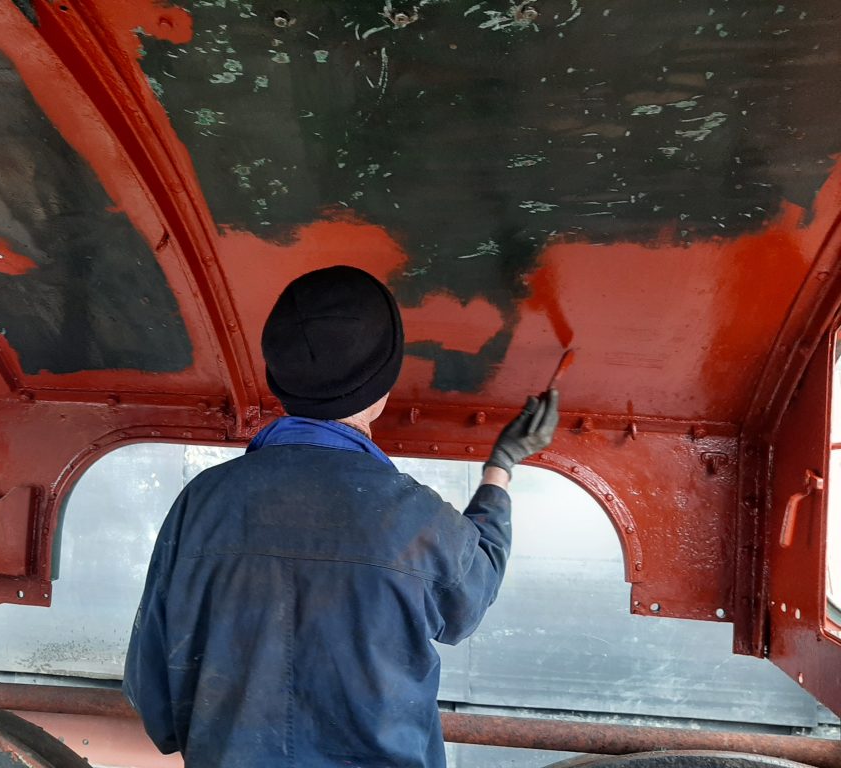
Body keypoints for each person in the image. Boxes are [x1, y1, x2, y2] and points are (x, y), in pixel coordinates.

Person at [123, 265, 559, 768]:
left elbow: (151, 692)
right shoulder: (417, 520)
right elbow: (469, 600)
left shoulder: (199, 503)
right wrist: (500, 468)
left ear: (279, 379)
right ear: (382, 390)